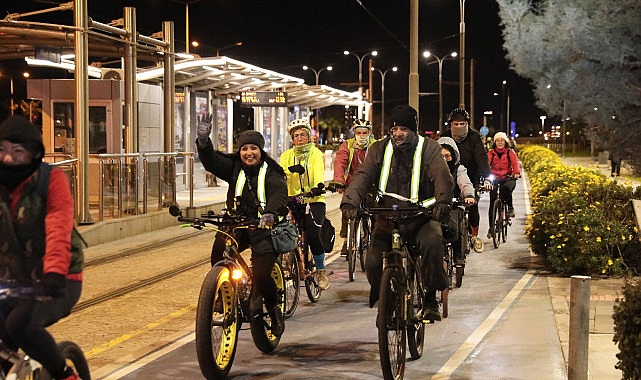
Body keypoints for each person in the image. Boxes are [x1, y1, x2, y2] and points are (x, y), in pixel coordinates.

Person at [341, 105, 454, 321]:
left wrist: (442, 202)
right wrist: (350, 201)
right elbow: (363, 175)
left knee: (433, 244)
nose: (398, 134)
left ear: (413, 130)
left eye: (403, 129)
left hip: (421, 217)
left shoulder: (428, 148)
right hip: (387, 218)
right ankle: (388, 299)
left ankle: (430, 297)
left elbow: (442, 175)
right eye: (394, 130)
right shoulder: (379, 149)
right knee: (373, 263)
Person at [0, 115, 83, 380]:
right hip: (13, 279)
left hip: (59, 277)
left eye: (18, 151)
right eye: (2, 150)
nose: (8, 159)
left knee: (20, 325)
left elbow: (58, 225)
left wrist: (54, 274)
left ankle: (64, 375)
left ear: (35, 154)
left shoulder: (51, 180)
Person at [196, 127, 288, 336]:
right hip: (237, 223)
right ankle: (221, 291)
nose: (248, 153)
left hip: (264, 227)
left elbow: (279, 194)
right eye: (244, 148)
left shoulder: (272, 171)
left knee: (262, 275)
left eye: (253, 148)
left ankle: (274, 311)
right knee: (219, 250)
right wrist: (203, 141)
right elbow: (212, 161)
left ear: (260, 150)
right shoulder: (234, 167)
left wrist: (270, 213)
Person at [279, 118, 330, 290]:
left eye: (303, 135)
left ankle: (321, 270)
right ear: (292, 139)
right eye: (296, 135)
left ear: (309, 137)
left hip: (313, 199)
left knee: (313, 233)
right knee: (281, 230)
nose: (300, 138)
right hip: (292, 200)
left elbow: (317, 171)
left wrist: (317, 187)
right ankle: (285, 261)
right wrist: (287, 173)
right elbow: (280, 175)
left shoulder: (315, 153)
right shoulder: (286, 156)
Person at [442, 108, 491, 253]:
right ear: (451, 124)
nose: (458, 127)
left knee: (472, 203)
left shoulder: (474, 137)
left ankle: (474, 235)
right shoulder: (444, 137)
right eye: (455, 124)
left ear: (467, 124)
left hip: (469, 176)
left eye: (461, 123)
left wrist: (487, 177)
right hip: (448, 176)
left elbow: (481, 158)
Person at [332, 119, 377, 256]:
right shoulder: (347, 145)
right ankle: (347, 241)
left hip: (371, 185)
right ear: (354, 133)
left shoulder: (376, 146)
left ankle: (376, 239)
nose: (362, 135)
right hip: (353, 185)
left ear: (369, 133)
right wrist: (339, 181)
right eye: (359, 132)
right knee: (347, 208)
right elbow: (340, 163)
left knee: (376, 211)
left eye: (365, 133)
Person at [437, 137, 476, 266]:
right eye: (440, 156)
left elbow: (465, 183)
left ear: (453, 156)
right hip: (435, 206)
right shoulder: (431, 169)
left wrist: (469, 195)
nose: (444, 160)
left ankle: (458, 257)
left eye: (447, 156)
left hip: (455, 205)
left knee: (455, 225)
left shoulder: (459, 169)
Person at [487, 132, 521, 236]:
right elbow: (486, 165)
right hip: (495, 178)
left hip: (508, 178)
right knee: (492, 202)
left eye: (502, 140)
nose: (500, 142)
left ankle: (510, 208)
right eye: (498, 140)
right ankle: (491, 227)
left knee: (505, 189)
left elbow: (515, 164)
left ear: (505, 142)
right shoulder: (491, 153)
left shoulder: (510, 152)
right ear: (495, 142)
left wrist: (516, 173)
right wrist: (485, 175)